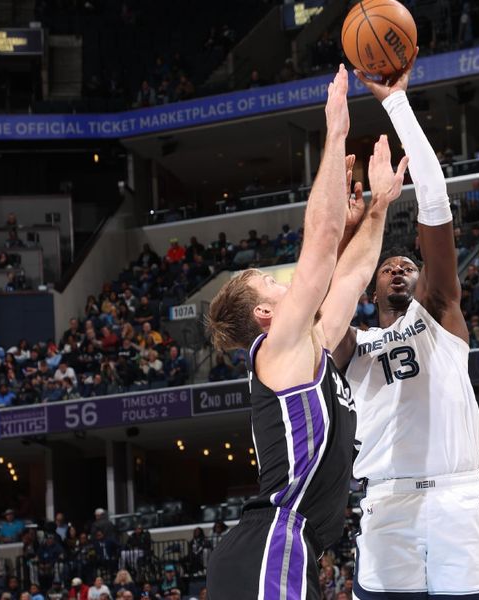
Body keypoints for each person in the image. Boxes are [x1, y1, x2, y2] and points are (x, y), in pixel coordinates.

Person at [205, 65, 402, 600]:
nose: (285, 281)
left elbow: (354, 275)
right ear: (265, 316)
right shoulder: (277, 347)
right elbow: (320, 242)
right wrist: (335, 132)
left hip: (290, 547)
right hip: (273, 541)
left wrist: (380, 208)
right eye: (271, 282)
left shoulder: (309, 348)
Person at [342, 54, 479, 598]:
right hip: (386, 502)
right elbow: (327, 298)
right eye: (387, 266)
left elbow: (436, 204)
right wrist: (350, 230)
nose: (400, 268)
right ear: (369, 285)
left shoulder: (439, 313)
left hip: (458, 498)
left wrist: (397, 106)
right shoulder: (352, 343)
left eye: (407, 264)